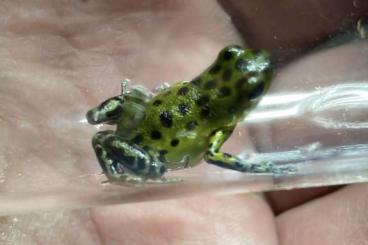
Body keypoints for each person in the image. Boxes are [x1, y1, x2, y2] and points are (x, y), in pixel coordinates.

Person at [0, 0, 367, 244]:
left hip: (140, 130)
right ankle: (127, 164)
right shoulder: (222, 122)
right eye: (232, 55)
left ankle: (102, 121)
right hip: (149, 149)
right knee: (146, 143)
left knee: (131, 104)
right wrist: (254, 166)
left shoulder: (208, 100)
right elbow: (212, 155)